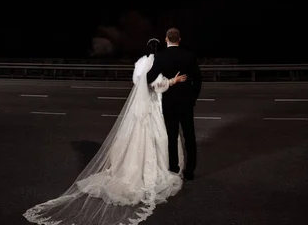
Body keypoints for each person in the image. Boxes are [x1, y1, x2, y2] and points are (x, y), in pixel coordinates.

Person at [23, 38, 187, 225]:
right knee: (157, 138)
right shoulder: (157, 63)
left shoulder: (141, 63)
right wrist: (173, 81)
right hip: (152, 107)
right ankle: (154, 170)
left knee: (135, 138)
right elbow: (156, 85)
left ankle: (128, 166)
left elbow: (137, 82)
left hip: (138, 110)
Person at [146, 28, 202, 180]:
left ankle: (173, 167)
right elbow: (198, 79)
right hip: (186, 102)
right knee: (189, 136)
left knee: (172, 135)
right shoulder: (189, 55)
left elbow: (149, 78)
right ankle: (190, 171)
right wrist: (193, 98)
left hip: (169, 101)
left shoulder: (161, 56)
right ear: (179, 39)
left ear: (166, 39)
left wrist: (165, 82)